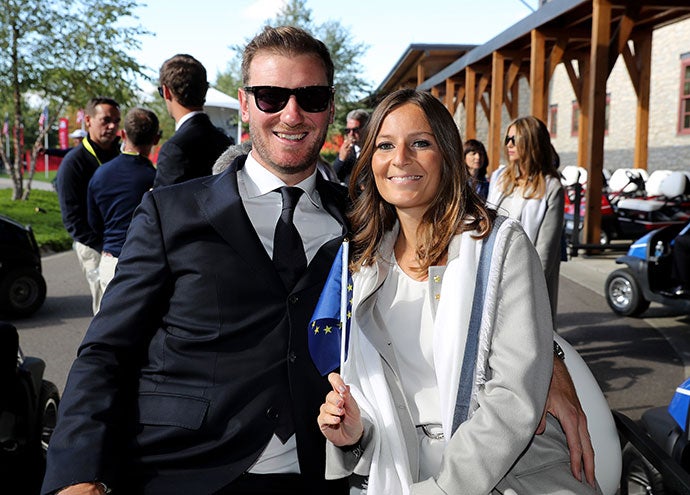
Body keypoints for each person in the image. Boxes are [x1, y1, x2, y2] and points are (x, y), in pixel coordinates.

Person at [41, 26, 350, 495]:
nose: (292, 113)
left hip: (318, 472)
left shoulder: (359, 220)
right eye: (270, 96)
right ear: (244, 104)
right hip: (181, 470)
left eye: (311, 96)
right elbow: (107, 350)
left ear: (330, 105)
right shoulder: (170, 212)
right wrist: (77, 474)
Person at [317, 89, 598, 494]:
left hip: (508, 474)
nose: (400, 158)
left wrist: (442, 489)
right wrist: (354, 435)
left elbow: (513, 396)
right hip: (401, 473)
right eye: (385, 145)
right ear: (370, 161)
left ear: (448, 155)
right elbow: (380, 398)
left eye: (420, 143)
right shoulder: (362, 265)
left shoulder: (500, 247)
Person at [486, 116, 565, 321]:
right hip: (493, 271)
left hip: (527, 280)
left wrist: (528, 288)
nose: (509, 144)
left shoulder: (551, 187)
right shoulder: (500, 178)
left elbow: (546, 249)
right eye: (507, 139)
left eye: (515, 139)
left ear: (531, 142)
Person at [55, 97, 121, 315]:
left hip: (121, 242)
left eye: (116, 121)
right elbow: (72, 219)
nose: (112, 126)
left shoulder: (119, 154)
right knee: (106, 308)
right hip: (96, 247)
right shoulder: (73, 163)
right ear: (89, 121)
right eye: (106, 120)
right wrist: (102, 246)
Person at [86, 108, 160, 301]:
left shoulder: (100, 174)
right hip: (145, 263)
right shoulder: (156, 180)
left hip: (110, 260)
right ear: (156, 139)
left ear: (124, 135)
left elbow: (94, 223)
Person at [152, 53, 232, 188]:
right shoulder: (225, 142)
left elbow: (163, 200)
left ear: (166, 92)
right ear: (205, 90)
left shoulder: (174, 149)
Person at [332, 109, 369, 185]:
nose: (351, 134)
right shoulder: (347, 151)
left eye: (355, 130)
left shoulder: (374, 149)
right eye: (348, 130)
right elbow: (333, 177)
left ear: (367, 128)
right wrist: (341, 159)